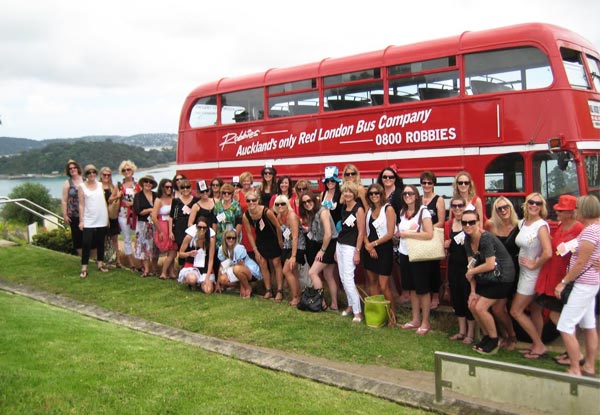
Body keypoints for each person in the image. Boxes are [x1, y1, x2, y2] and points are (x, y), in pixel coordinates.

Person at [534, 195, 584, 366]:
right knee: (560, 315)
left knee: (560, 316)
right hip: (553, 274)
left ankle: (575, 354)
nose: (557, 212)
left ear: (571, 212)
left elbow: (585, 253)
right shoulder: (563, 226)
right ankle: (571, 351)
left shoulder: (578, 229)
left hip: (564, 277)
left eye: (561, 211)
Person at [555, 195, 600, 377]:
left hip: (583, 284)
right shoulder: (595, 228)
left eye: (577, 209)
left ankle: (575, 367)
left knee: (565, 326)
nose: (575, 212)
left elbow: (581, 262)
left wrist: (563, 282)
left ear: (584, 211)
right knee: (589, 325)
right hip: (592, 283)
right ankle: (589, 365)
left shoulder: (590, 231)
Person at [463, 209, 516, 355]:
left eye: (471, 222)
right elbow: (470, 267)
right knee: (472, 305)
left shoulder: (485, 238)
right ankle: (487, 336)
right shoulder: (467, 240)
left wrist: (472, 272)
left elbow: (490, 264)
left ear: (478, 223)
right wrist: (473, 292)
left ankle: (494, 340)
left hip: (502, 277)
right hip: (487, 277)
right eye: (464, 222)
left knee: (480, 308)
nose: (468, 225)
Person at [511, 192, 552, 359]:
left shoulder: (540, 226)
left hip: (532, 274)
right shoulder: (524, 223)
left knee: (516, 311)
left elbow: (548, 252)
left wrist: (534, 264)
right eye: (531, 203)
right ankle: (536, 344)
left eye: (538, 203)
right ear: (526, 204)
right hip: (524, 272)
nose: (534, 206)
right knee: (535, 310)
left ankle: (539, 345)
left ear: (542, 207)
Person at [396, 185, 434, 335]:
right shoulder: (402, 212)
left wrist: (407, 234)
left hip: (419, 255)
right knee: (411, 288)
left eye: (410, 193)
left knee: (422, 289)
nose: (407, 195)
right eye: (405, 193)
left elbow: (429, 234)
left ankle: (426, 321)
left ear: (416, 196)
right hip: (404, 253)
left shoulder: (423, 211)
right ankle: (415, 319)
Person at [486, 196, 520, 350]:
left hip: (518, 270)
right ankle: (508, 335)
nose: (503, 210)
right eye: (499, 208)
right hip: (500, 271)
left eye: (506, 206)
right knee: (498, 308)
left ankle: (511, 336)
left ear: (511, 207)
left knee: (512, 306)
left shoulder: (520, 225)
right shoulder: (492, 226)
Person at [362, 183, 396, 326]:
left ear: (382, 194)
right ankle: (377, 313)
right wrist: (368, 247)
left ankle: (392, 316)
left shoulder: (388, 209)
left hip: (383, 250)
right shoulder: (368, 210)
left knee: (384, 285)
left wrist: (373, 244)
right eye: (371, 194)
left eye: (377, 193)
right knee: (372, 283)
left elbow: (390, 233)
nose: (374, 196)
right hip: (370, 250)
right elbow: (363, 231)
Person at [299, 191, 339, 310]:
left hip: (328, 244)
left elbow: (328, 234)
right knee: (328, 275)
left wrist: (322, 250)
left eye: (309, 201)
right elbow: (316, 232)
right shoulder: (312, 213)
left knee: (312, 272)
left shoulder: (323, 212)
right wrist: (308, 230)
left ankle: (320, 303)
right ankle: (334, 304)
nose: (307, 204)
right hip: (324, 244)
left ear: (314, 200)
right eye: (304, 202)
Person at [444, 196, 475, 344]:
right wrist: (445, 245)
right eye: (454, 206)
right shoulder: (448, 224)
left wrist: (473, 270)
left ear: (465, 207)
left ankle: (470, 333)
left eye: (460, 206)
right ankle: (461, 331)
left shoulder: (469, 224)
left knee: (467, 297)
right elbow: (445, 252)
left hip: (467, 267)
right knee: (456, 298)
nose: (457, 208)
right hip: (453, 266)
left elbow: (476, 248)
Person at [243, 190, 284, 301]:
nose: (251, 202)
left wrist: (280, 241)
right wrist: (255, 250)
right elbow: (249, 234)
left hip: (273, 239)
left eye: (254, 200)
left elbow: (278, 226)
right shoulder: (246, 215)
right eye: (248, 200)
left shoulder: (266, 211)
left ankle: (280, 290)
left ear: (258, 200)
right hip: (260, 241)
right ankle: (268, 290)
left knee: (276, 263)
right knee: (263, 264)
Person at [336, 181, 365, 323]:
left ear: (354, 194)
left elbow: (361, 232)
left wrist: (357, 251)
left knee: (348, 279)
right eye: (345, 191)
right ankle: (350, 306)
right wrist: (337, 249)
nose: (347, 194)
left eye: (350, 192)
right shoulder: (344, 207)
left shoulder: (359, 209)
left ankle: (358, 312)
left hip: (351, 247)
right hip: (340, 244)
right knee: (342, 278)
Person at [420, 170, 446, 309]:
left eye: (429, 182)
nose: (426, 185)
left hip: (433, 238)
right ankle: (425, 296)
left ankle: (435, 296)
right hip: (420, 239)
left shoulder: (438, 200)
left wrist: (427, 230)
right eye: (424, 182)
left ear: (433, 184)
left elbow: (441, 221)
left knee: (434, 268)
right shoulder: (418, 199)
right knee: (423, 268)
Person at [77, 164, 109, 278]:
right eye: (89, 173)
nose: (91, 174)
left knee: (101, 242)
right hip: (89, 218)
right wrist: (81, 221)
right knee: (86, 243)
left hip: (101, 217)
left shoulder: (100, 185)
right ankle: (84, 267)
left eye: (93, 172)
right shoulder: (82, 187)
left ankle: (100, 264)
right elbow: (81, 205)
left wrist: (107, 217)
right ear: (86, 175)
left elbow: (105, 200)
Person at [274, 194, 303, 306]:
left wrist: (293, 256)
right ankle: (297, 295)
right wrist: (280, 241)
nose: (280, 206)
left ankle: (295, 297)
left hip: (298, 247)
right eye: (277, 204)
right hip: (287, 246)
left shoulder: (292, 216)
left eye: (283, 204)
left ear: (287, 204)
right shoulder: (279, 216)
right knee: (293, 272)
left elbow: (295, 237)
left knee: (286, 270)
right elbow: (278, 228)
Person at [217, 229, 262, 298]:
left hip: (249, 270)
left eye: (233, 238)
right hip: (236, 269)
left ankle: (247, 288)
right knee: (222, 279)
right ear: (225, 238)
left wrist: (242, 287)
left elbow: (241, 266)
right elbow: (221, 266)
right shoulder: (221, 249)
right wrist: (218, 283)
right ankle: (246, 285)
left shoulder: (239, 248)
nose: (231, 240)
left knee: (236, 269)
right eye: (229, 237)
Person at [178, 216, 216, 293]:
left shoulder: (211, 240)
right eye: (199, 227)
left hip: (205, 267)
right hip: (192, 266)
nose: (202, 229)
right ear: (196, 227)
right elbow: (180, 254)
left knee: (208, 291)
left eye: (204, 228)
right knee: (192, 279)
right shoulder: (189, 237)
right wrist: (189, 254)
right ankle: (193, 283)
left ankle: (202, 282)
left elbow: (211, 259)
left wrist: (207, 277)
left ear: (207, 228)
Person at [151, 178, 178, 280]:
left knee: (173, 249)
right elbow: (154, 217)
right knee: (171, 250)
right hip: (162, 225)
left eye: (171, 187)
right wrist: (160, 231)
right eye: (167, 187)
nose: (169, 189)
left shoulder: (173, 198)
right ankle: (164, 272)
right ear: (162, 187)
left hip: (172, 225)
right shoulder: (158, 200)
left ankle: (171, 272)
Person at [116, 160, 140, 271]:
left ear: (133, 170)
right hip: (123, 216)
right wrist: (117, 196)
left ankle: (141, 262)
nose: (126, 171)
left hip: (136, 216)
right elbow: (111, 199)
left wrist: (133, 204)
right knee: (127, 239)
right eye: (124, 170)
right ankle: (132, 264)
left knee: (139, 239)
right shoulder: (119, 186)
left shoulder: (138, 185)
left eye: (128, 169)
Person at [168, 178, 199, 266]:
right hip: (179, 229)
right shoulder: (176, 201)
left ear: (190, 188)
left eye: (187, 187)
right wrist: (170, 231)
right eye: (183, 187)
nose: (185, 189)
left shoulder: (196, 200)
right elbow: (171, 217)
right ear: (180, 189)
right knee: (182, 248)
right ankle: (182, 268)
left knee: (192, 247)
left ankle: (192, 267)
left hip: (192, 228)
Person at [133, 175, 159, 277]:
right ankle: (146, 270)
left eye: (150, 182)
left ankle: (155, 269)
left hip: (155, 224)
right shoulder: (138, 196)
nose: (148, 184)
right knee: (144, 247)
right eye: (146, 181)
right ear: (143, 183)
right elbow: (138, 211)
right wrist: (150, 210)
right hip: (143, 225)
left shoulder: (156, 195)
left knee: (155, 247)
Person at [61, 160, 84, 256]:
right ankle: (81, 258)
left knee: (89, 237)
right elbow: (64, 200)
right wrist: (65, 215)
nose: (72, 170)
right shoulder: (67, 183)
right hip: (74, 215)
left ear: (78, 169)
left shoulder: (85, 180)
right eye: (70, 168)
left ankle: (91, 258)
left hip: (87, 214)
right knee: (77, 237)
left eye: (74, 168)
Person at [100, 167, 121, 268]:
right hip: (102, 217)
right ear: (101, 175)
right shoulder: (98, 187)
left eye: (108, 175)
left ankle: (118, 260)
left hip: (112, 216)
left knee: (115, 240)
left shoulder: (113, 187)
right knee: (103, 239)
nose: (106, 177)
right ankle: (105, 260)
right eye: (104, 175)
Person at [212, 183, 243, 248]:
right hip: (220, 239)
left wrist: (234, 237)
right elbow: (214, 222)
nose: (226, 194)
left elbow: (239, 222)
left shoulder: (236, 205)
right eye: (224, 192)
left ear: (232, 194)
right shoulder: (217, 206)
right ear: (221, 193)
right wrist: (214, 236)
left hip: (232, 238)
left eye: (229, 193)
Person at [320, 166, 342, 232]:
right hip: (324, 228)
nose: (330, 182)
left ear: (336, 181)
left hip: (336, 229)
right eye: (327, 180)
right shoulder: (322, 194)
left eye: (332, 180)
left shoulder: (341, 194)